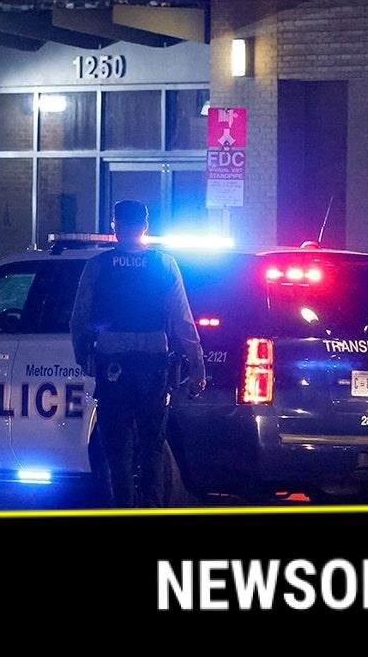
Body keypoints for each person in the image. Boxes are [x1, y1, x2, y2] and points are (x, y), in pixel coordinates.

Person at [70, 200, 206, 507]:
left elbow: (79, 319)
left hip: (112, 367)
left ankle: (122, 506)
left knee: (117, 446)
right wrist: (197, 366)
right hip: (153, 365)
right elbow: (182, 320)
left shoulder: (98, 266)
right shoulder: (163, 264)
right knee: (152, 444)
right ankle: (152, 506)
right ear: (146, 226)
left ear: (115, 226)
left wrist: (84, 356)